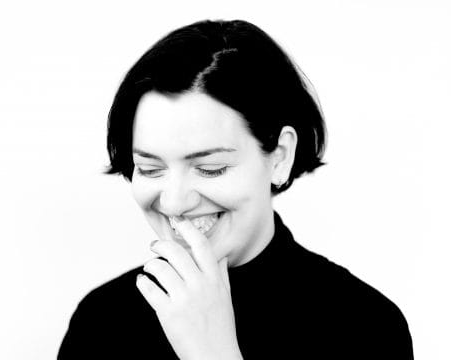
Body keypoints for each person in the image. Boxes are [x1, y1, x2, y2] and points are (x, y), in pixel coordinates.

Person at [58, 19, 413, 359]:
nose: (175, 202)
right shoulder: (101, 320)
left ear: (280, 157)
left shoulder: (365, 325)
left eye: (210, 169)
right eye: (151, 169)